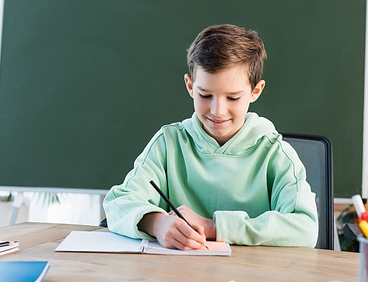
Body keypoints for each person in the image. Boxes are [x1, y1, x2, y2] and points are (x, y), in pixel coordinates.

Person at [103, 24, 318, 250]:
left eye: (233, 98)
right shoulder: (168, 143)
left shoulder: (275, 154)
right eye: (205, 95)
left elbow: (305, 228)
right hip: (177, 277)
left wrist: (213, 226)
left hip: (251, 278)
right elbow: (117, 203)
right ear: (190, 86)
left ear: (256, 91)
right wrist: (156, 223)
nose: (217, 110)